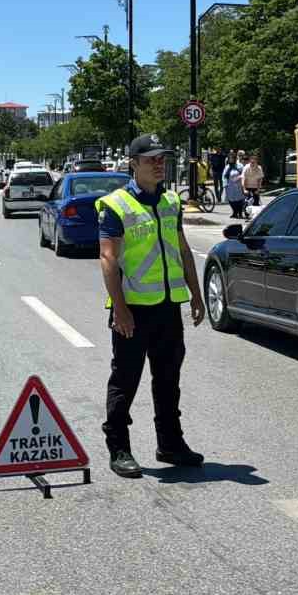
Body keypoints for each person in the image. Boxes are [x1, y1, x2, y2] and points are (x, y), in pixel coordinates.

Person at [95, 133, 208, 479]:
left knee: (168, 379)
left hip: (168, 307)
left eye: (162, 159)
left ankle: (170, 444)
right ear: (134, 163)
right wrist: (121, 309)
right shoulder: (116, 205)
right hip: (132, 310)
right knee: (126, 380)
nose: (158, 164)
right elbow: (108, 258)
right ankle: (119, 447)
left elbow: (183, 249)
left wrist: (196, 293)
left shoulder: (171, 201)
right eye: (151, 159)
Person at [223, 155, 246, 219]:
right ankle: (235, 212)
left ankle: (240, 213)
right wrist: (225, 184)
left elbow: (243, 174)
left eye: (232, 158)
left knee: (239, 200)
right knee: (231, 200)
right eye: (230, 159)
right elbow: (224, 176)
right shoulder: (227, 167)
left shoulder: (240, 166)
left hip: (238, 185)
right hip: (230, 186)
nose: (231, 160)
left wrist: (238, 178)